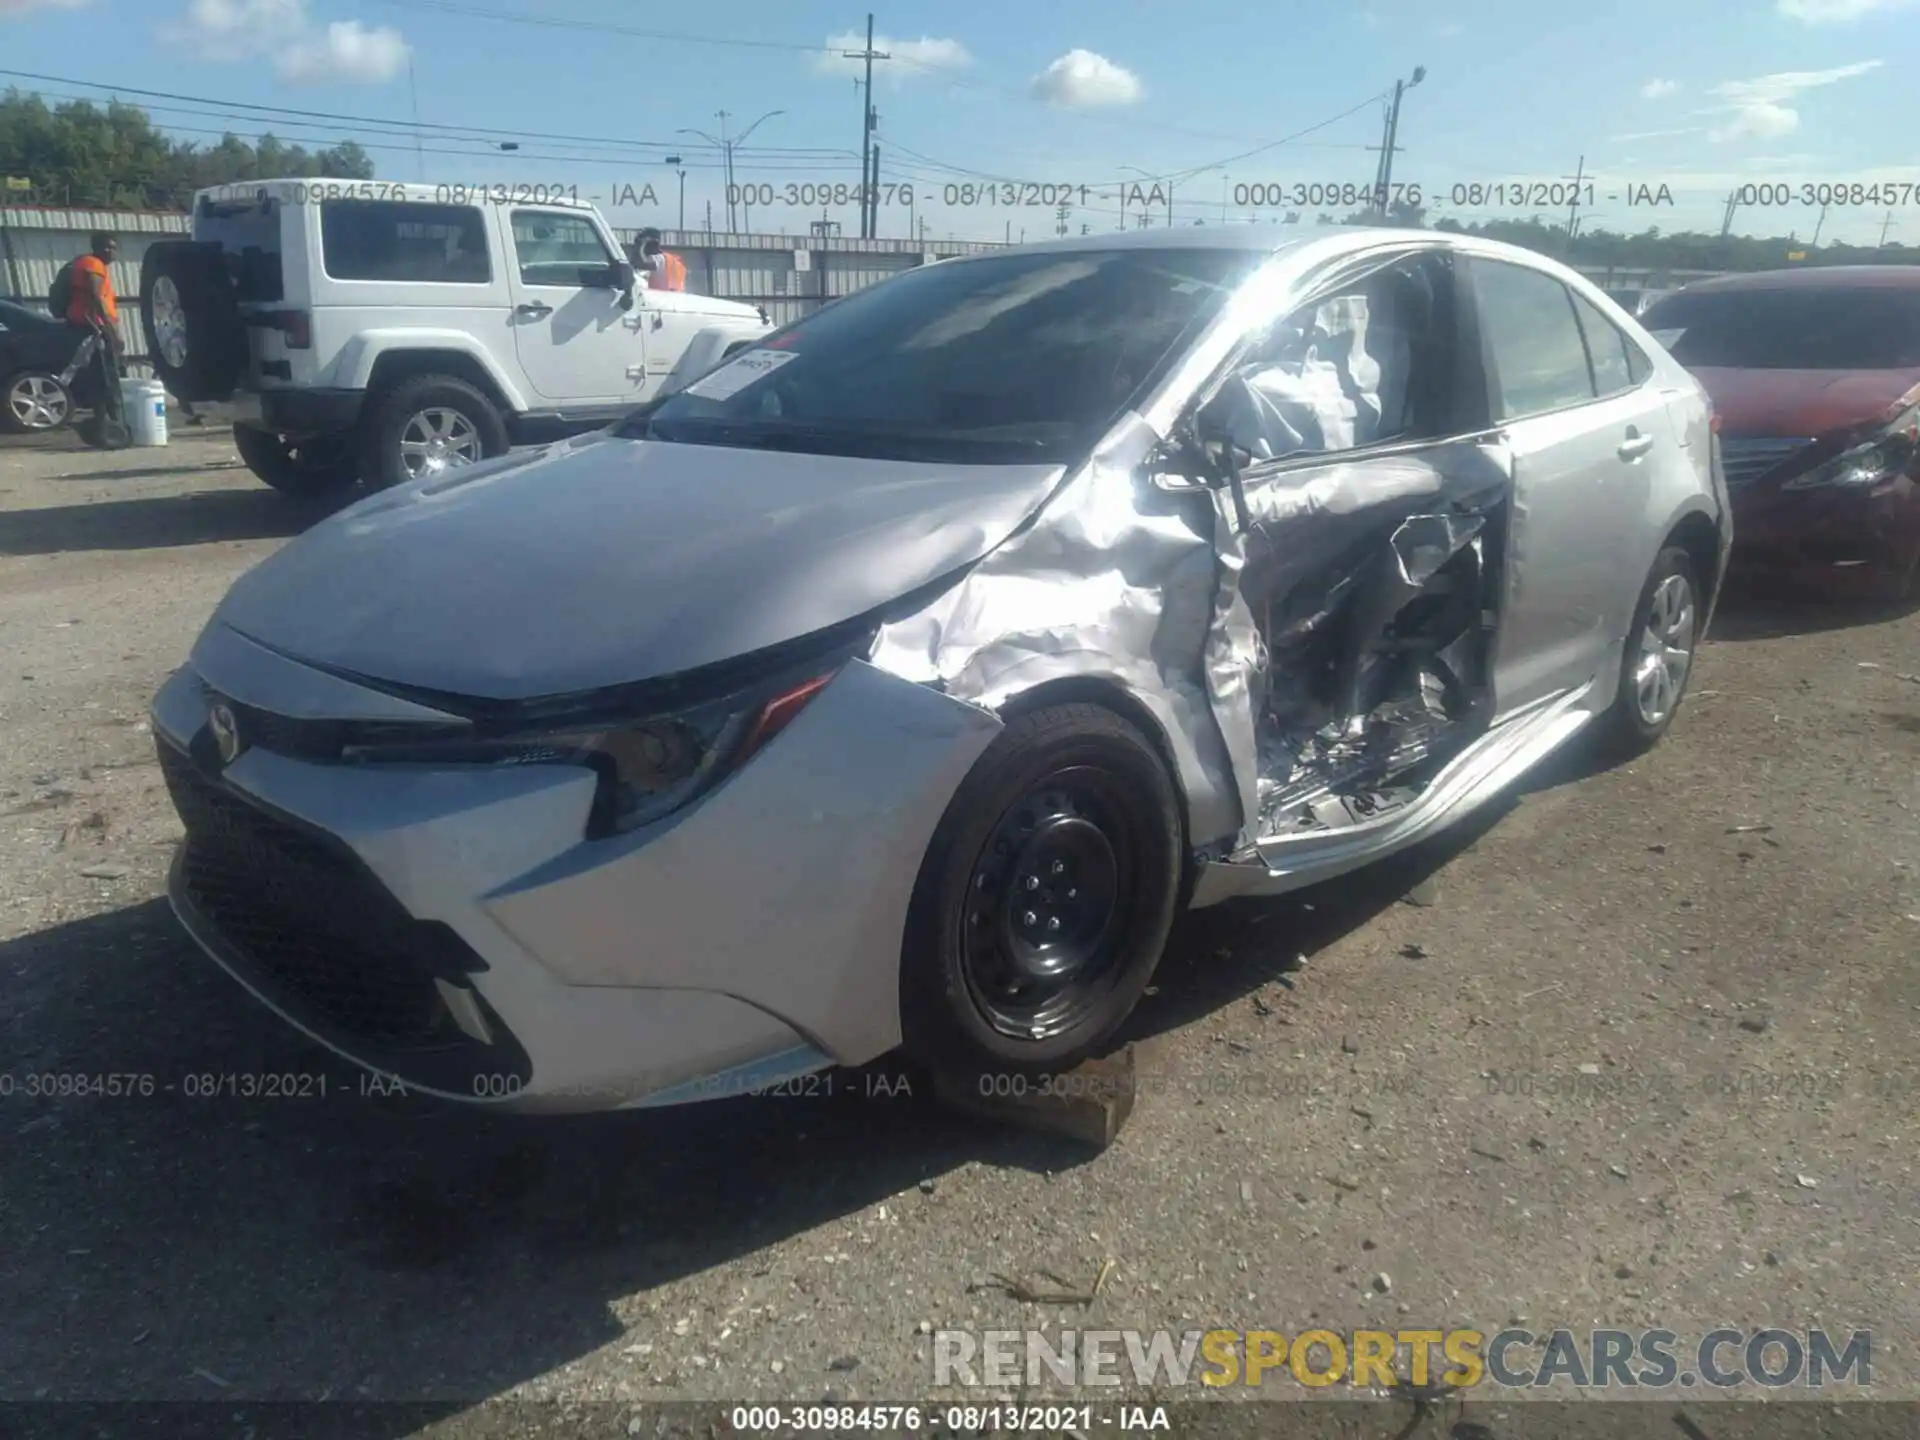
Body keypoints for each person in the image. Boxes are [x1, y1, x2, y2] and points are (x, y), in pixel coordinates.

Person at [65, 232, 129, 449]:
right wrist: (112, 331)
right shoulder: (93, 265)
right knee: (107, 380)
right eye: (107, 248)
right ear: (97, 248)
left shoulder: (87, 263)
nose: (111, 252)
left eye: (113, 248)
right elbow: (96, 296)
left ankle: (104, 427)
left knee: (102, 379)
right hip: (94, 329)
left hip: (90, 327)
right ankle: (111, 430)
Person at [632, 227, 687, 292]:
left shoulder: (658, 259)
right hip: (676, 296)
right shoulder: (672, 260)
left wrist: (641, 246)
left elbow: (640, 262)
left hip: (660, 297)